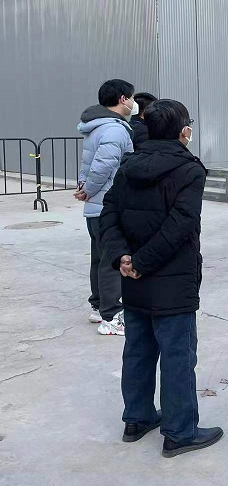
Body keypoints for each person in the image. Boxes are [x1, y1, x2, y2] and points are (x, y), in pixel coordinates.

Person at [99, 99, 223, 458]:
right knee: (177, 356)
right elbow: (180, 225)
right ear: (184, 131)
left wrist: (124, 258)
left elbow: (109, 214)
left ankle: (136, 418)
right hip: (171, 280)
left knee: (138, 350)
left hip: (134, 278)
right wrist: (140, 261)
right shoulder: (189, 170)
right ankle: (180, 432)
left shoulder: (129, 165)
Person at [75, 79, 136, 336]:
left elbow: (88, 164)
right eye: (131, 98)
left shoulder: (97, 127)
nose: (133, 103)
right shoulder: (114, 129)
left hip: (95, 207)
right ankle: (111, 316)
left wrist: (84, 187)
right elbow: (103, 166)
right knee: (111, 260)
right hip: (107, 206)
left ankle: (99, 307)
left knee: (99, 258)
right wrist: (89, 189)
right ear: (123, 99)